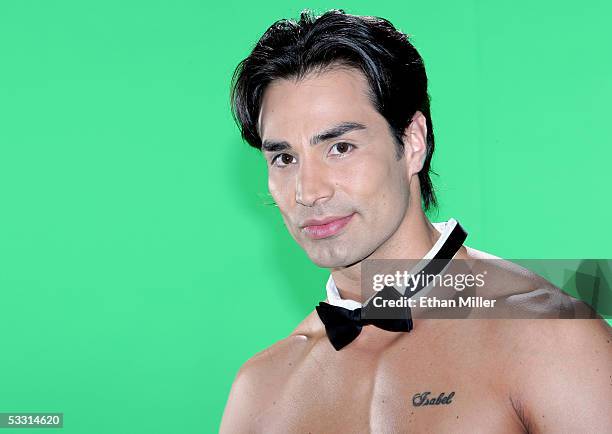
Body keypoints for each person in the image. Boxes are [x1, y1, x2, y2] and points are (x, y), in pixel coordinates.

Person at [220, 9, 612, 433]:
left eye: (341, 147)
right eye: (284, 158)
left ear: (412, 143)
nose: (308, 191)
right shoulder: (260, 388)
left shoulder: (547, 336)